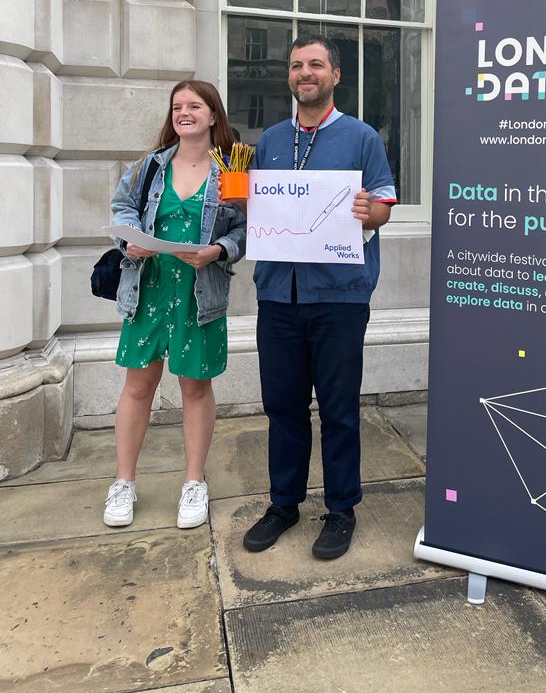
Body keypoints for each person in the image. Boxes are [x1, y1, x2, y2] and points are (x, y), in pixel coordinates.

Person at [243, 35, 396, 559]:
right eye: (296, 66)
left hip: (339, 297)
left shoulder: (361, 138)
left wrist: (367, 212)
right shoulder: (271, 140)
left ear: (334, 76)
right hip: (278, 296)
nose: (304, 73)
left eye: (315, 65)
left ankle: (340, 510)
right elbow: (261, 212)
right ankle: (284, 504)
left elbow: (382, 207)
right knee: (282, 406)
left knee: (337, 409)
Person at [105, 81, 246, 529]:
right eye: (177, 106)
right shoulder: (149, 166)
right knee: (138, 387)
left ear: (212, 116)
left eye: (195, 106)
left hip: (200, 293)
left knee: (195, 388)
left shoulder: (232, 169)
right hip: (150, 289)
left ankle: (193, 482)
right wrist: (130, 238)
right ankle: (124, 482)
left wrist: (218, 250)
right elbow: (121, 208)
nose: (185, 112)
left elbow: (246, 228)